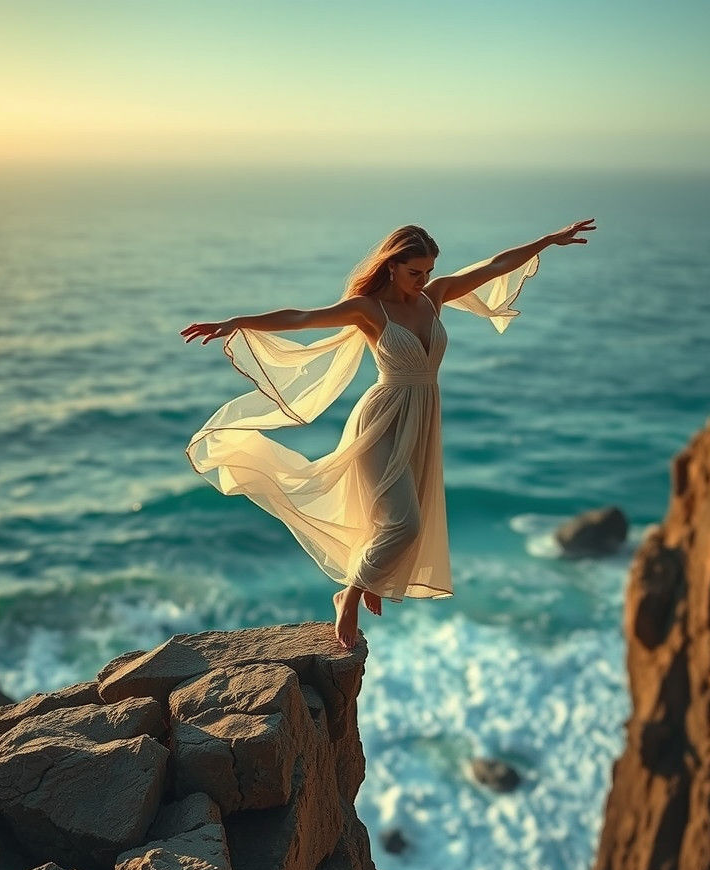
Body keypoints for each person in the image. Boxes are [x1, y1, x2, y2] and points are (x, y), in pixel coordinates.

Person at [181, 220, 596, 649]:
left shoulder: (433, 299)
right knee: (405, 523)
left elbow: (492, 267)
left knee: (392, 519)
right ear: (392, 266)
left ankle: (369, 580)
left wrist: (547, 241)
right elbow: (303, 317)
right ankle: (349, 595)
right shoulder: (368, 309)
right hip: (381, 422)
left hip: (421, 422)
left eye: (430, 271)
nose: (425, 280)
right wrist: (235, 322)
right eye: (416, 272)